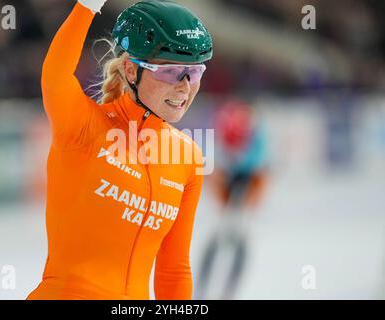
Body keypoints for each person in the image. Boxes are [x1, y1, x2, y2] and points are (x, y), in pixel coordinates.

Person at [27, 0, 213, 300]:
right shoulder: (84, 126)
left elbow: (173, 270)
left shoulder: (187, 157)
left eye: (194, 73)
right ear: (130, 70)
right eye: (171, 72)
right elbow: (55, 75)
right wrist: (87, 6)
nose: (184, 87)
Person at [195, 98, 268, 300]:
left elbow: (259, 181)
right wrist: (223, 207)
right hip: (226, 176)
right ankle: (201, 288)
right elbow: (213, 178)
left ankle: (229, 291)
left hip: (247, 178)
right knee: (218, 233)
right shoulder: (215, 142)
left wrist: (245, 209)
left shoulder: (258, 147)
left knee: (241, 235)